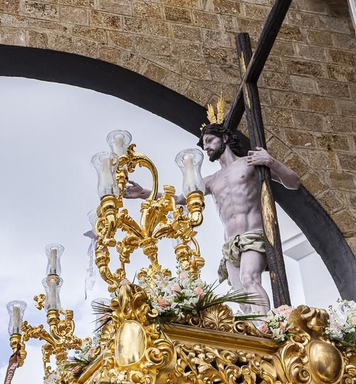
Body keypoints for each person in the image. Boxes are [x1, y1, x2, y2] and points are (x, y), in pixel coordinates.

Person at [125, 116, 300, 310]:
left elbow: (293, 182)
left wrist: (270, 161)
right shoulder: (211, 180)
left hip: (252, 234)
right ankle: (255, 328)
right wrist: (143, 193)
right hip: (230, 244)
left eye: (210, 141)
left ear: (224, 138)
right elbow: (179, 199)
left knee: (249, 278)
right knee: (241, 298)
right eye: (204, 144)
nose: (206, 147)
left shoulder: (249, 163)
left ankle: (268, 325)